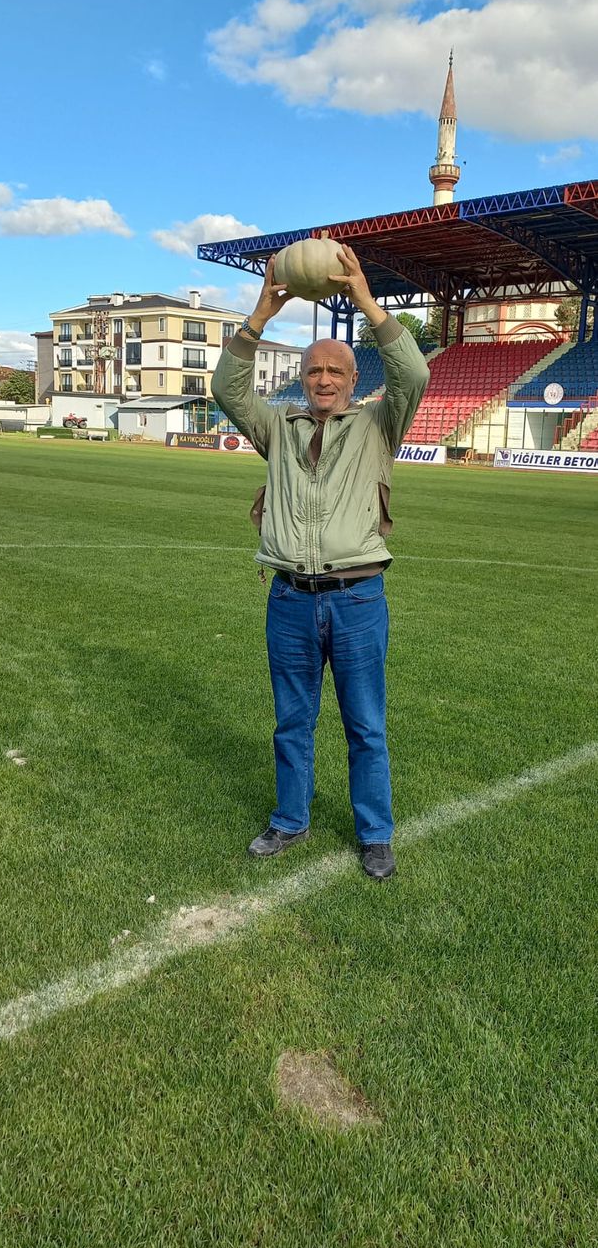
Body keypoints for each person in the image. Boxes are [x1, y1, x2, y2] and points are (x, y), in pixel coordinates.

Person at [211, 245, 429, 880]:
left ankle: (375, 833)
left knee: (366, 726)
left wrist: (363, 296)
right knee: (292, 721)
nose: (325, 380)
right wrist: (260, 312)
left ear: (353, 380)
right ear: (302, 380)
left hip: (358, 599)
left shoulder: (379, 425)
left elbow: (412, 374)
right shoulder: (275, 426)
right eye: (314, 373)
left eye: (336, 371)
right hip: (290, 599)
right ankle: (290, 820)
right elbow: (227, 388)